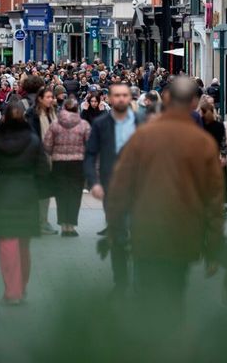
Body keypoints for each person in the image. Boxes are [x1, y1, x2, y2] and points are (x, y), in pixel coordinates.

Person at [106, 78, 224, 317]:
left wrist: (115, 228)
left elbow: (120, 186)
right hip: (183, 233)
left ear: (167, 99)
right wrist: (213, 246)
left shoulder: (143, 136)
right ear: (194, 102)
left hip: (145, 230)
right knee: (174, 293)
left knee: (146, 294)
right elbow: (214, 199)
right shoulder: (202, 143)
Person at [0, 101, 52, 304]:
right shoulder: (32, 140)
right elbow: (43, 171)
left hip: (3, 191)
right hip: (27, 193)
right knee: (24, 245)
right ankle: (21, 287)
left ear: (4, 117)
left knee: (7, 244)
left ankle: (12, 290)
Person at [84, 81, 139, 294]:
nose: (121, 99)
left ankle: (141, 280)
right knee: (118, 234)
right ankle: (121, 282)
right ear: (109, 98)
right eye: (116, 95)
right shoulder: (100, 124)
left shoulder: (141, 122)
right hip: (112, 187)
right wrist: (93, 182)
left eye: (125, 95)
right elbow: (90, 155)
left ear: (130, 98)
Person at [43, 97, 91, 236]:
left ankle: (63, 225)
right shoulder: (84, 125)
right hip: (78, 163)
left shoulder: (55, 125)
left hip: (59, 163)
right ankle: (71, 225)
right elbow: (90, 144)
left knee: (61, 193)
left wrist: (55, 153)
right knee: (75, 194)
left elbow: (47, 144)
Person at [26, 87, 59, 235]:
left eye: (52, 97)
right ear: (40, 98)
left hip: (51, 157)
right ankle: (37, 222)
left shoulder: (52, 113)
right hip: (37, 158)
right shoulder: (32, 114)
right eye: (48, 97)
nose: (51, 99)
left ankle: (42, 221)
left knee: (45, 192)